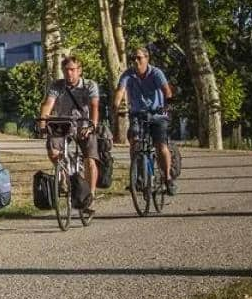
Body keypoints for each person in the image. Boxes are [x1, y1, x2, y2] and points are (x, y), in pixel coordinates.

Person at [35, 55, 100, 211]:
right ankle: (63, 178)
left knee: (90, 160)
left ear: (79, 70)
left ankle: (90, 196)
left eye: (72, 70)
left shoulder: (89, 85)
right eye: (66, 70)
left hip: (83, 124)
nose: (69, 73)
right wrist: (42, 122)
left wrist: (92, 126)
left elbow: (94, 107)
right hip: (62, 123)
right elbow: (47, 104)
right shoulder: (57, 86)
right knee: (53, 151)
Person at [113, 45, 175, 193]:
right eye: (133, 58)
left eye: (139, 58)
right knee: (134, 142)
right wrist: (115, 106)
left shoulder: (156, 73)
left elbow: (167, 91)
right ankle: (138, 179)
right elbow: (120, 91)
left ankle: (167, 178)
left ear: (147, 59)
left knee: (160, 146)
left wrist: (168, 104)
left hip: (157, 114)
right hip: (137, 114)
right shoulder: (128, 75)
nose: (135, 61)